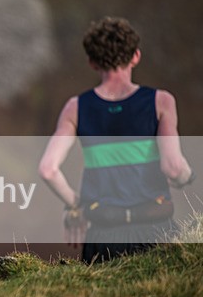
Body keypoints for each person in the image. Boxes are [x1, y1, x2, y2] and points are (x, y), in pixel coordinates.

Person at [39, 17, 193, 264]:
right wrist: (188, 178)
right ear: (136, 56)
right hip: (156, 229)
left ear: (91, 62)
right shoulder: (161, 102)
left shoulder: (76, 108)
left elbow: (48, 170)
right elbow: (173, 167)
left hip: (103, 234)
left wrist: (75, 204)